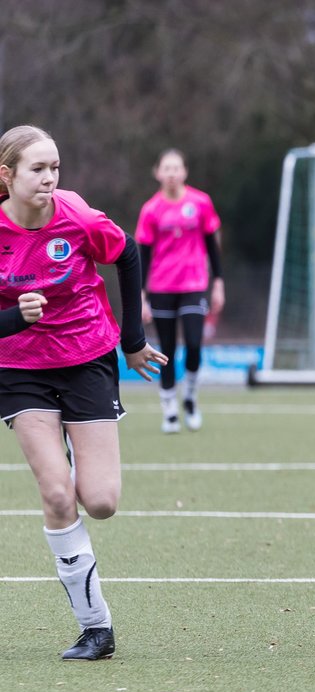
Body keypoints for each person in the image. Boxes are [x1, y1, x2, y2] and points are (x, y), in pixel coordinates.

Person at [0, 125, 167, 660]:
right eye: (37, 169)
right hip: (19, 368)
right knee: (55, 492)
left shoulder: (77, 216)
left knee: (99, 501)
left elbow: (128, 253)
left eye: (55, 168)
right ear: (7, 177)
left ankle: (73, 441)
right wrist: (11, 318)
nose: (49, 179)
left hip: (87, 357)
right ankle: (96, 627)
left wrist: (133, 341)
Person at [136, 148, 225, 433]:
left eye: (177, 168)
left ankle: (190, 395)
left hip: (194, 284)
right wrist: (141, 294)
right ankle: (169, 407)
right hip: (161, 286)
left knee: (195, 345)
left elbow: (212, 244)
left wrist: (219, 282)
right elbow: (144, 254)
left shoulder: (201, 203)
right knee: (167, 350)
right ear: (157, 173)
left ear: (184, 172)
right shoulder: (151, 210)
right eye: (167, 168)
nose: (172, 173)